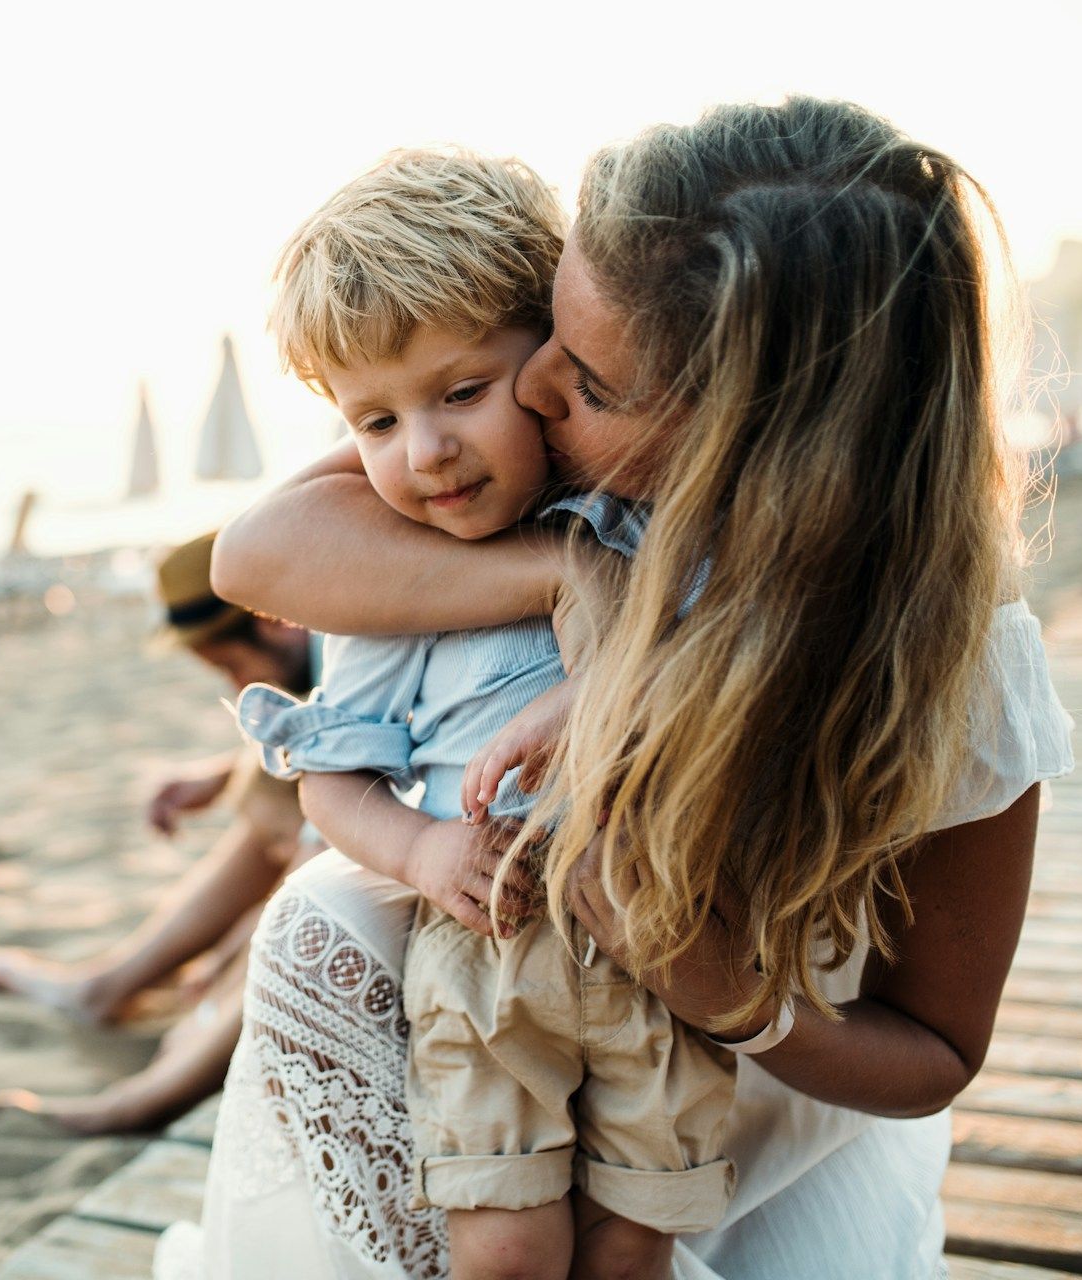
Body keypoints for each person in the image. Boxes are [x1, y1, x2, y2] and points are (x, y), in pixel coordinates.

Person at [170, 98, 1075, 1280]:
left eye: (588, 381)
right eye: (545, 329)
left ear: (746, 440)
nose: (530, 390)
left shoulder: (959, 662)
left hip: (764, 1099)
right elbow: (254, 554)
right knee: (320, 920)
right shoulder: (528, 499)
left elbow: (939, 1046)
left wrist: (731, 994)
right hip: (512, 1032)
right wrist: (574, 576)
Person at [227, 149, 734, 1279]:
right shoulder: (397, 588)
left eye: (461, 392)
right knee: (502, 1249)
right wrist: (423, 846)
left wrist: (606, 691)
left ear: (550, 358)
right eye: (374, 422)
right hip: (489, 951)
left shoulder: (645, 512)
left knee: (632, 1246)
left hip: (666, 939)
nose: (425, 450)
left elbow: (735, 659)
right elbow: (330, 775)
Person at [0, 531, 322, 1134]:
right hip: (337, 833)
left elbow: (323, 840)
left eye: (232, 665)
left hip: (382, 855)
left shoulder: (351, 644)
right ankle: (108, 987)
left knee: (271, 797)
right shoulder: (316, 649)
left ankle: (145, 1089)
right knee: (259, 783)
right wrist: (216, 775)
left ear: (277, 623)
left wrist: (231, 958)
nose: (236, 689)